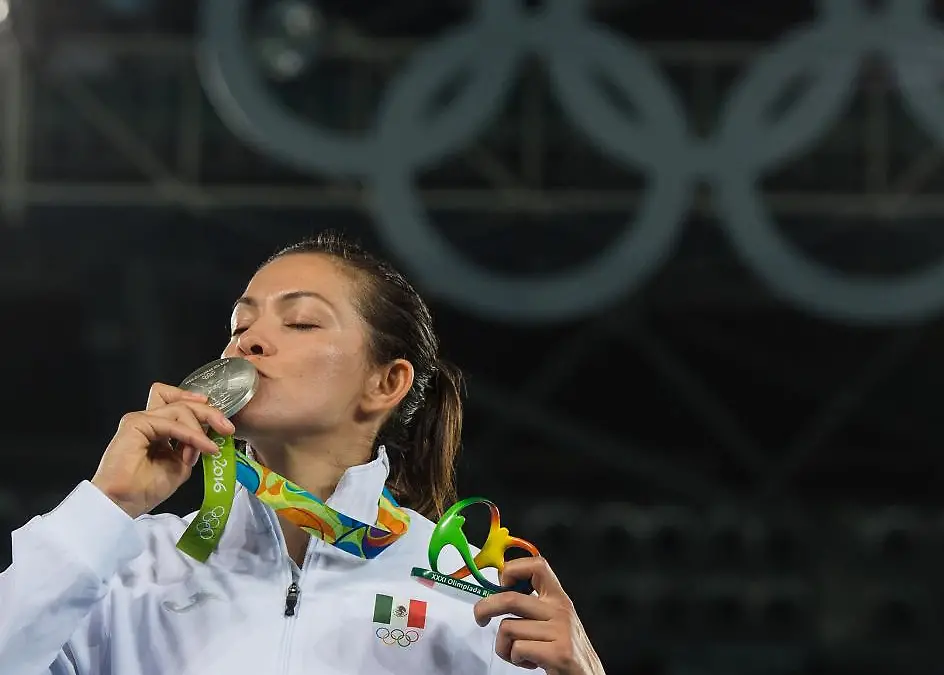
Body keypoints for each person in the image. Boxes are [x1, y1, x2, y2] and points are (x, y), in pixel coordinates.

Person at [0, 231, 606, 675]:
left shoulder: (469, 595)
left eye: (301, 323)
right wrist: (107, 507)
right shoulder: (129, 569)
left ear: (385, 383)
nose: (250, 341)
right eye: (239, 326)